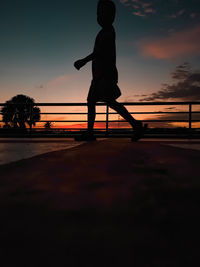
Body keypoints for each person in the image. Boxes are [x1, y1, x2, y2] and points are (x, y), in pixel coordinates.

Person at [74, 0, 146, 141]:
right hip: (98, 75)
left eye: (103, 13)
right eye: (98, 13)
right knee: (93, 101)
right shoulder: (103, 32)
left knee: (107, 101)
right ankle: (90, 132)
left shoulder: (108, 32)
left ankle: (135, 125)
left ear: (111, 16)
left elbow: (99, 52)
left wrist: (83, 61)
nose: (99, 16)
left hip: (105, 74)